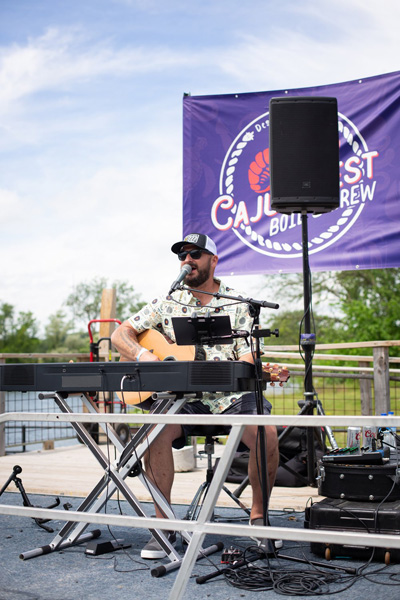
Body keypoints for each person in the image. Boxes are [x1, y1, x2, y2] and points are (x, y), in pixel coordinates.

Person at [111, 232, 280, 559]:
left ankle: (259, 516)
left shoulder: (239, 303)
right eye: (182, 256)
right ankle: (164, 526)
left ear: (213, 261)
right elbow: (121, 333)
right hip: (182, 398)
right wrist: (144, 356)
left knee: (267, 433)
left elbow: (247, 355)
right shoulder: (167, 302)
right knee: (154, 431)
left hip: (230, 398)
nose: (187, 260)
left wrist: (250, 367)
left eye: (195, 255)